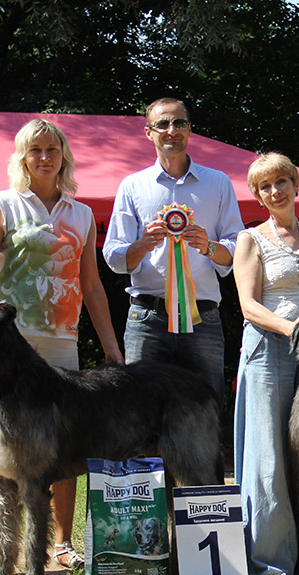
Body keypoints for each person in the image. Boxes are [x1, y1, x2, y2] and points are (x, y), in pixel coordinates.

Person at [0, 119, 123, 574]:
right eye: (35, 150)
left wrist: (111, 347)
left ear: (63, 157)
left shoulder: (81, 214)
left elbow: (92, 287)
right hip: (7, 345)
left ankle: (62, 543)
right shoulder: (2, 204)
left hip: (61, 342)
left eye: (51, 149)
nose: (44, 157)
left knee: (63, 443)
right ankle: (3, 553)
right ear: (22, 157)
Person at [233, 152, 299, 575]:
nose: (275, 191)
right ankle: (270, 561)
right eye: (265, 186)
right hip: (268, 350)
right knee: (269, 454)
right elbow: (249, 305)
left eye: (281, 182)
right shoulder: (250, 240)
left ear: (295, 184)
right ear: (257, 195)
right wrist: (293, 328)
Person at [103, 97, 244, 402]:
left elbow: (238, 250)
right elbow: (113, 255)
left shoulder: (218, 183)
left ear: (190, 129)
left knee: (205, 410)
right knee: (139, 413)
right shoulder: (132, 185)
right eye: (162, 124)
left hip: (202, 317)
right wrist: (142, 245)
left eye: (179, 123)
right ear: (148, 133)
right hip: (147, 317)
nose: (172, 130)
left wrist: (208, 247)